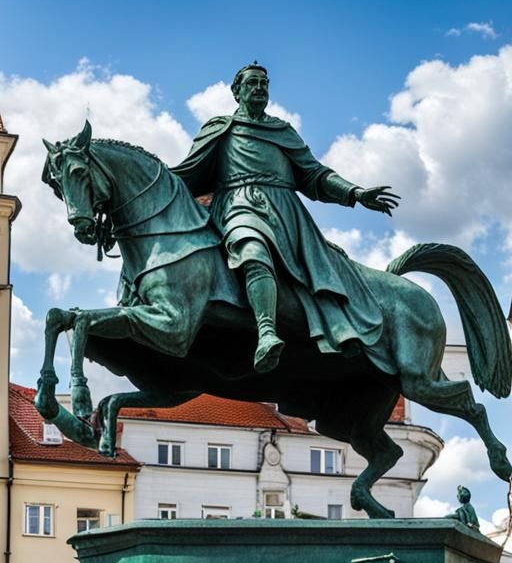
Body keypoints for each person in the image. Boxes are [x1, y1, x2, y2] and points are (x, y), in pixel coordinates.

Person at [171, 62, 399, 374]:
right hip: (237, 204)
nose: (259, 88)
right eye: (252, 83)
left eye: (264, 83)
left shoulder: (282, 131)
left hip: (286, 215)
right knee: (251, 247)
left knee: (327, 268)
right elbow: (187, 173)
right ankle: (266, 333)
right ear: (236, 92)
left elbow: (314, 174)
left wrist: (354, 193)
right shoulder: (222, 129)